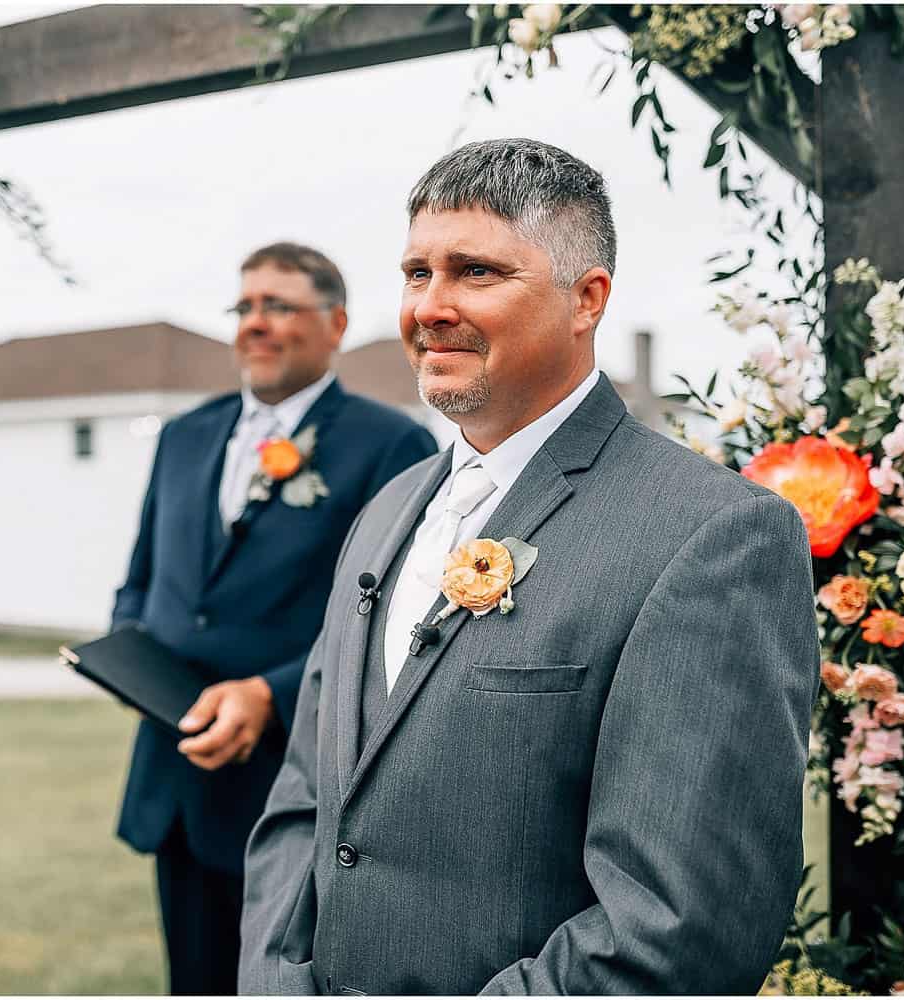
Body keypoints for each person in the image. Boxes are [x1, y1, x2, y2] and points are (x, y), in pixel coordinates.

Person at [238, 140, 820, 995]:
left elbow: (684, 924)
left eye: (475, 272)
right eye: (415, 272)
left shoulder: (714, 536)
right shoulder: (385, 512)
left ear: (586, 299)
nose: (429, 308)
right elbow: (303, 801)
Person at [111, 242, 439, 995]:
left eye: (279, 306)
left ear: (336, 325)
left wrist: (273, 694)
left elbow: (394, 617)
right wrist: (132, 660)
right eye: (245, 306)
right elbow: (139, 585)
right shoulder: (185, 435)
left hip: (295, 783)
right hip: (177, 770)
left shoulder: (392, 444)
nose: (255, 323)